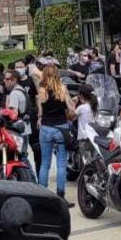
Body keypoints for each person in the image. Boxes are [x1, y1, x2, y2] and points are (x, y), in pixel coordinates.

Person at [36, 65, 77, 204]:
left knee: (45, 163)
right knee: (61, 164)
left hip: (46, 128)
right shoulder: (62, 88)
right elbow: (71, 108)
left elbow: (40, 109)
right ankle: (60, 196)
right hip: (61, 128)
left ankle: (42, 194)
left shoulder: (42, 90)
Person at [3, 70, 32, 168]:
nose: (5, 81)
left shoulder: (14, 93)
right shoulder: (22, 90)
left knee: (21, 157)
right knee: (23, 156)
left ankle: (31, 180)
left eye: (7, 79)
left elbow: (13, 113)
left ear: (14, 80)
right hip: (26, 127)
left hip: (18, 129)